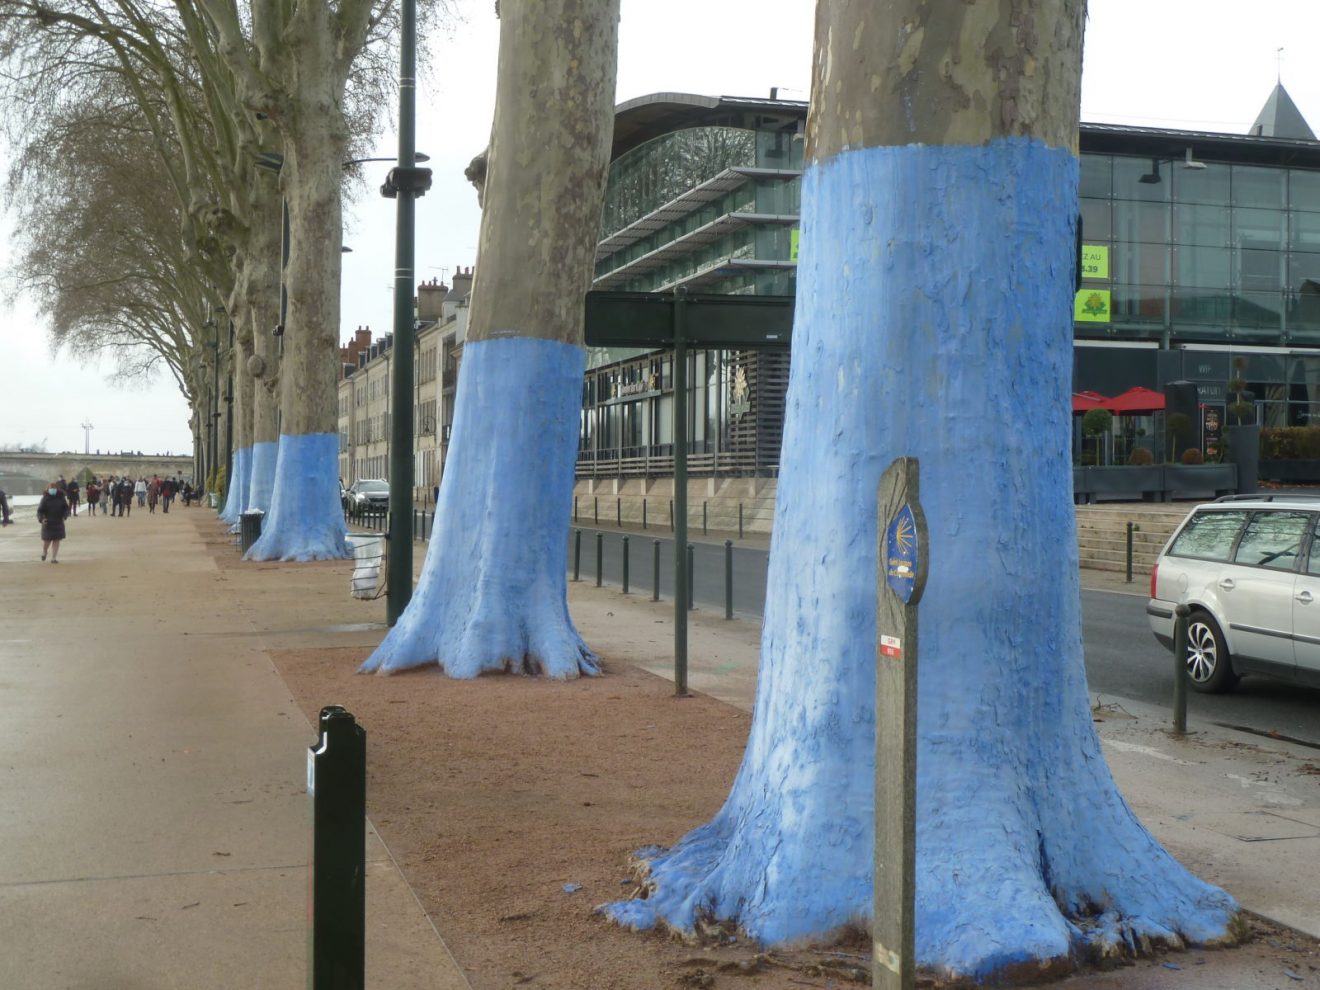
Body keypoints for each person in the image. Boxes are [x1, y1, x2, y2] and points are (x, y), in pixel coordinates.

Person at [36, 481, 70, 563]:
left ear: (57, 489)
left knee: (56, 540)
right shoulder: (45, 498)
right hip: (48, 522)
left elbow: (66, 508)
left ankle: (54, 558)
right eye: (51, 488)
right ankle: (44, 551)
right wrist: (41, 519)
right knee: (47, 540)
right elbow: (39, 511)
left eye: (54, 488)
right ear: (48, 489)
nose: (52, 490)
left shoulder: (61, 498)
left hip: (58, 521)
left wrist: (65, 516)